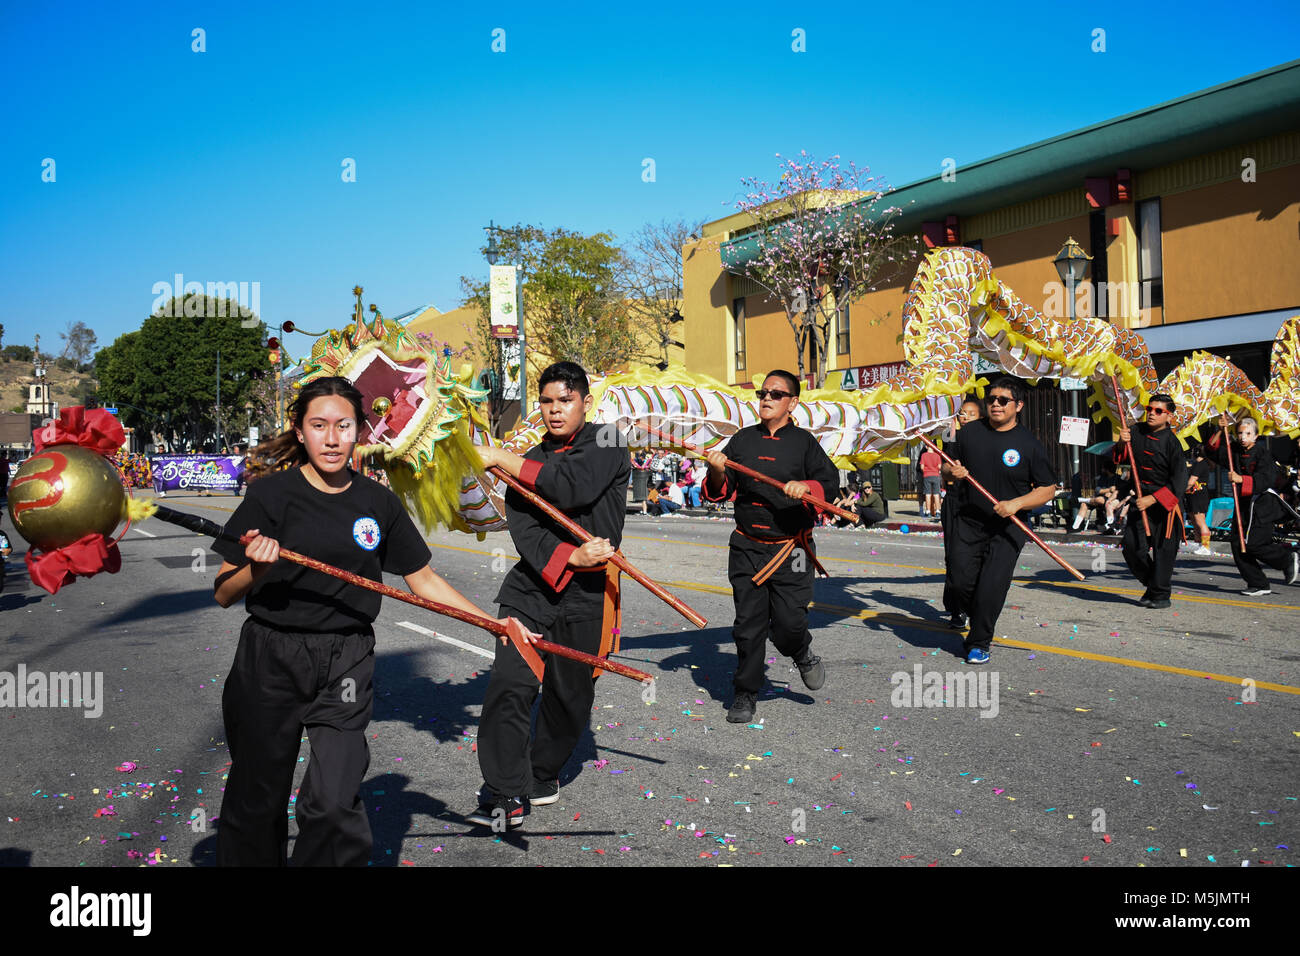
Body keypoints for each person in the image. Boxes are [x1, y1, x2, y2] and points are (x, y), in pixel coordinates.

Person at [211, 376, 516, 866]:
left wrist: (495, 626)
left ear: (360, 431)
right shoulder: (271, 497)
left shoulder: (377, 503)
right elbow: (224, 592)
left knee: (333, 800)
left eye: (343, 426)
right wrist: (257, 567)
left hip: (346, 661)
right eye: (318, 426)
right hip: (270, 658)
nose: (331, 439)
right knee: (257, 797)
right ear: (300, 430)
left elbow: (425, 580)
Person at [471, 362, 631, 824]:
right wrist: (567, 557)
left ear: (585, 402)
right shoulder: (530, 458)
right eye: (546, 401)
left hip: (590, 592)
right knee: (509, 685)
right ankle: (504, 792)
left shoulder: (608, 440)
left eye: (565, 400)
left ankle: (541, 773)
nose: (555, 410)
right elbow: (523, 525)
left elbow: (572, 486)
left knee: (569, 695)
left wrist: (502, 458)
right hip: (532, 585)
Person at [704, 370, 839, 724]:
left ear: (792, 403)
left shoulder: (805, 442)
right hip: (748, 547)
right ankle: (746, 691)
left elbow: (829, 483)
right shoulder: (742, 441)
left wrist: (806, 486)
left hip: (791, 551)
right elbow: (720, 489)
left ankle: (802, 651)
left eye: (776, 394)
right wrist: (717, 470)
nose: (766, 398)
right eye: (763, 392)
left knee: (789, 624)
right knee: (748, 625)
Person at [942, 377, 1057, 664]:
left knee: (992, 585)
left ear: (1018, 406)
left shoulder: (1028, 444)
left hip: (1009, 526)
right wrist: (950, 473)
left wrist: (1016, 504)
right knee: (958, 582)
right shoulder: (969, 434)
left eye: (1003, 400)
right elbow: (947, 466)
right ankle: (973, 611)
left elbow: (1047, 488)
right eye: (991, 399)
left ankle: (979, 641)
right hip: (968, 520)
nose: (995, 404)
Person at [1205, 413, 1299, 595]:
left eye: (1247, 434)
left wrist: (1242, 479)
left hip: (1263, 505)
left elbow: (1267, 479)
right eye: (1240, 433)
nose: (1243, 437)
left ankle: (1286, 559)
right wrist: (1219, 429)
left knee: (1254, 543)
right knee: (1237, 544)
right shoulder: (1234, 451)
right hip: (1244, 505)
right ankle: (1258, 583)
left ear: (1256, 436)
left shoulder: (1263, 454)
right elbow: (1212, 452)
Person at [1115, 394, 1188, 609]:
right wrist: (1122, 442)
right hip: (1140, 500)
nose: (1152, 414)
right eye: (1150, 409)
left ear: (1169, 417)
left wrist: (1153, 499)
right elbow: (1120, 459)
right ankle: (1155, 587)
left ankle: (1161, 595)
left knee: (1164, 552)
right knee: (1131, 547)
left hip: (1166, 505)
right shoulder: (1135, 431)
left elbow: (1180, 481)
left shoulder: (1173, 443)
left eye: (1158, 411)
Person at [942, 397, 983, 628]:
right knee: (954, 558)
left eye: (971, 413)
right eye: (962, 413)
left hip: (979, 505)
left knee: (977, 559)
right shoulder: (953, 438)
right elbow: (945, 464)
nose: (965, 417)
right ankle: (956, 608)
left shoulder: (989, 440)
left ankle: (975, 604)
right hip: (955, 503)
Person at [1185, 448, 1215, 555]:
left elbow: (1191, 482)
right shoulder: (1197, 464)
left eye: (1193, 451)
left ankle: (1206, 547)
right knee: (1194, 520)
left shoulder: (1200, 464)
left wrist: (1181, 489)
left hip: (1198, 495)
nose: (1191, 453)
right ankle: (1199, 544)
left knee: (1200, 521)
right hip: (1192, 495)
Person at [919, 444, 942, 519]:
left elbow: (922, 467)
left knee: (927, 494)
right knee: (936, 494)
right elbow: (939, 466)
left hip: (927, 476)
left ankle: (928, 511)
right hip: (936, 475)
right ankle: (938, 511)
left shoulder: (924, 455)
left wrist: (926, 470)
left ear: (926, 447)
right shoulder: (937, 456)